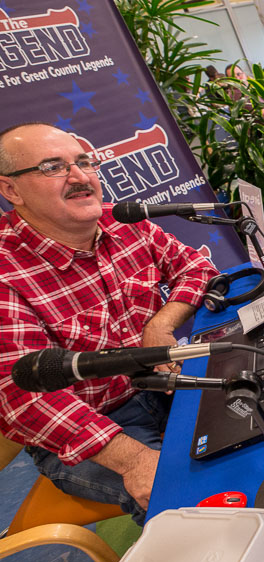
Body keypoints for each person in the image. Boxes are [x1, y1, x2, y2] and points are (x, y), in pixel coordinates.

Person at [0, 123, 219, 525]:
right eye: (53, 167)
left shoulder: (119, 222)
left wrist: (161, 324)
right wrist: (134, 459)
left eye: (83, 162)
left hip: (161, 384)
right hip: (91, 429)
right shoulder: (5, 271)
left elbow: (196, 266)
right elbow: (22, 398)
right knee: (193, 505)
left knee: (256, 427)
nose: (81, 178)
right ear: (11, 190)